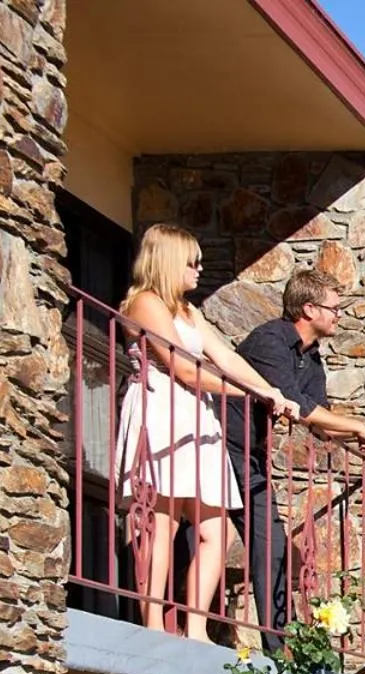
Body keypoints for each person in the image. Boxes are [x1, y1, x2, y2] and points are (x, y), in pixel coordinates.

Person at [114, 224, 299, 642]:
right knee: (162, 522)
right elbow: (182, 368)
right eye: (191, 262)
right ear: (168, 262)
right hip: (163, 410)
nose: (199, 269)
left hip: (197, 416)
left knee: (215, 530)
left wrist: (272, 393)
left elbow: (226, 358)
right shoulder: (145, 302)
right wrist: (253, 394)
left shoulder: (188, 311)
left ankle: (195, 627)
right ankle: (154, 624)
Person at [231, 269, 365, 646]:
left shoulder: (311, 357)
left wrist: (358, 438)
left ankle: (280, 647)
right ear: (309, 308)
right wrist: (358, 425)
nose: (339, 315)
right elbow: (296, 406)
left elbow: (319, 421)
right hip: (219, 442)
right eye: (334, 308)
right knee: (200, 534)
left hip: (250, 456)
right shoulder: (269, 341)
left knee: (272, 545)